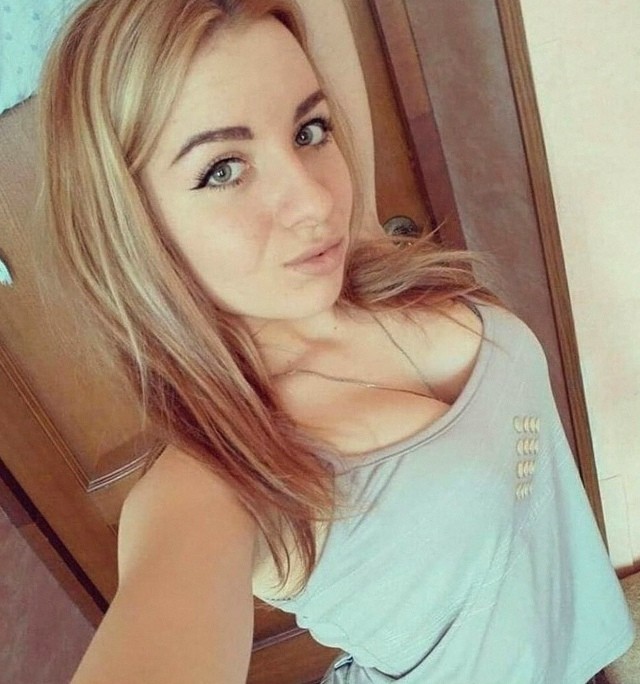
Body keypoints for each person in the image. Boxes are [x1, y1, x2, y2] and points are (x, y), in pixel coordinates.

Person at [37, 0, 635, 682]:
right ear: (130, 224)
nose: (316, 202)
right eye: (223, 169)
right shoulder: (219, 476)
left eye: (309, 131)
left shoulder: (357, 255)